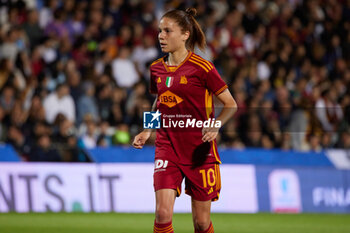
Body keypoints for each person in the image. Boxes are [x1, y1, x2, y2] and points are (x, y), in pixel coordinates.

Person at [132, 8, 237, 233]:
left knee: (201, 222)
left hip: (199, 151)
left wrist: (216, 124)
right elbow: (160, 101)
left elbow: (231, 104)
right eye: (160, 31)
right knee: (162, 214)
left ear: (185, 34)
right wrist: (147, 130)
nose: (161, 35)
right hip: (167, 147)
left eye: (168, 31)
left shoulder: (203, 68)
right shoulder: (156, 69)